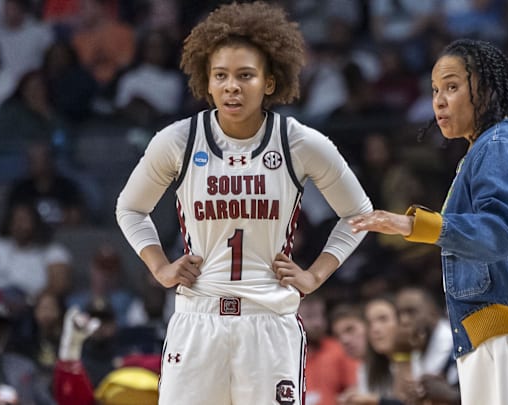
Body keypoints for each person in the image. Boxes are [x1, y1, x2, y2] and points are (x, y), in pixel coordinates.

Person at [114, 2, 373, 404]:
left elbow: (358, 213)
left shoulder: (298, 141)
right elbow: (130, 208)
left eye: (245, 75)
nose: (232, 86)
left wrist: (315, 276)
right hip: (198, 318)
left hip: (268, 321)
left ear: (269, 82)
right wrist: (159, 267)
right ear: (207, 81)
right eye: (221, 76)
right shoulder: (178, 140)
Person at [349, 38, 508, 405]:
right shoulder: (504, 142)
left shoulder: (497, 144)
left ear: (487, 90)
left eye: (453, 87)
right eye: (435, 90)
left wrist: (413, 226)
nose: (439, 100)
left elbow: (499, 232)